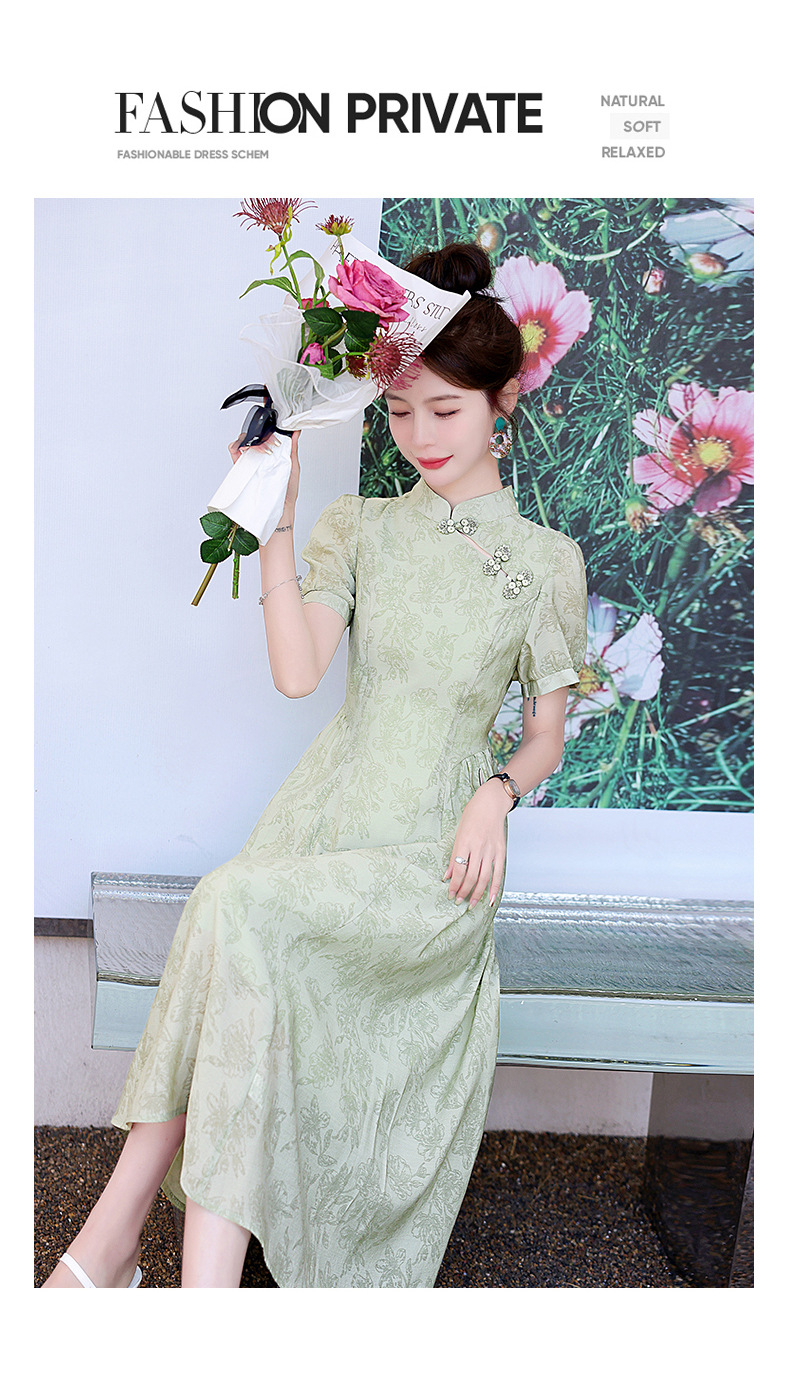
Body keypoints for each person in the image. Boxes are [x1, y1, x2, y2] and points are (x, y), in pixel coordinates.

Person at [42, 241, 588, 1289]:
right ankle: (157, 1273)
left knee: (231, 905)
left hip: (435, 860)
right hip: (324, 820)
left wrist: (496, 791)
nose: (421, 436)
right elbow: (299, 673)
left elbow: (545, 735)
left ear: (503, 402)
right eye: (401, 411)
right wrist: (279, 521)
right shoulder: (361, 527)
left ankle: (109, 1255)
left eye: (446, 410)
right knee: (238, 918)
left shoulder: (544, 561)